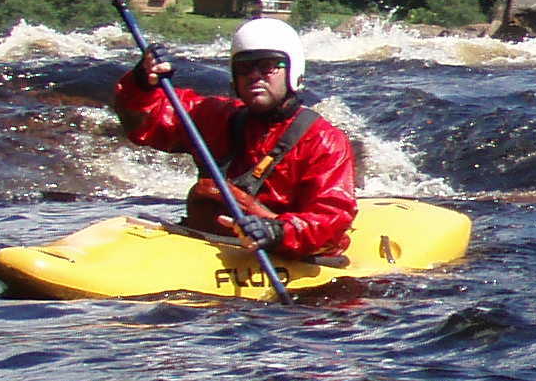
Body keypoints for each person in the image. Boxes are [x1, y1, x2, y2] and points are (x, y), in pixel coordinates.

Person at [113, 15, 357, 257]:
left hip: (288, 249)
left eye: (268, 66)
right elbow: (147, 121)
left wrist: (276, 231)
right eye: (244, 67)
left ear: (293, 71)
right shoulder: (215, 116)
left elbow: (331, 218)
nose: (254, 75)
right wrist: (142, 82)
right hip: (222, 240)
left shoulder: (324, 140)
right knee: (209, 191)